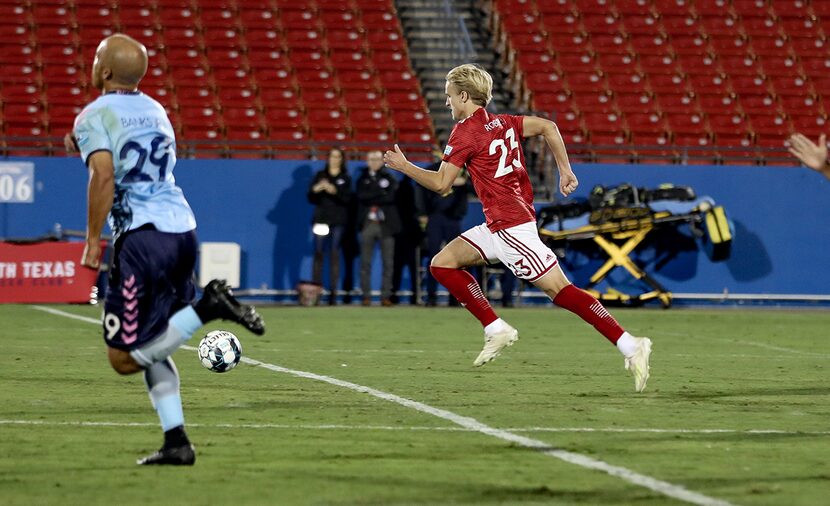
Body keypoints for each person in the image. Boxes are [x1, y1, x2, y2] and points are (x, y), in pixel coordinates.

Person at [383, 63, 652, 392]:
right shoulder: (505, 122)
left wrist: (404, 166)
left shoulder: (465, 131)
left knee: (560, 291)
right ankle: (495, 328)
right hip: (499, 224)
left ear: (464, 95)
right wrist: (564, 171)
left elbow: (441, 183)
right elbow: (549, 127)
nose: (447, 102)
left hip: (511, 227)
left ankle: (630, 344)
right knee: (442, 263)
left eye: (449, 96)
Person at [64, 34, 265, 465]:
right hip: (181, 230)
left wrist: (93, 241)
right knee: (157, 342)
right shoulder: (154, 108)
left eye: (96, 56)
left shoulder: (94, 114)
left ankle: (209, 307)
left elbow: (103, 177)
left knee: (122, 358)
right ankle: (177, 441)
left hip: (142, 238)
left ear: (103, 70)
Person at [415, 162, 469, 306]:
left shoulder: (465, 168)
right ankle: (431, 296)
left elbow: (473, 187)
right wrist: (423, 212)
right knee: (434, 258)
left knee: (456, 260)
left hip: (453, 219)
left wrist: (463, 182)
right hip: (435, 217)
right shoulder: (434, 167)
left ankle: (455, 298)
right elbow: (423, 184)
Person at [307, 148, 353, 305]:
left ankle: (333, 293)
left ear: (341, 159)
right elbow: (311, 197)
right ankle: (315, 293)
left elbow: (347, 199)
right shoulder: (320, 176)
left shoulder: (345, 178)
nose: (334, 159)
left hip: (338, 221)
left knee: (335, 254)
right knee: (318, 253)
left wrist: (334, 191)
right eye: (332, 156)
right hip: (321, 219)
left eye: (337, 156)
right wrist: (316, 189)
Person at [356, 150, 401, 306]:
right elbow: (361, 196)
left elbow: (391, 196)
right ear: (367, 161)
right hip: (368, 223)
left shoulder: (390, 177)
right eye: (371, 159)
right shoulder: (362, 178)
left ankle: (385, 296)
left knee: (388, 262)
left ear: (382, 161)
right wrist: (380, 193)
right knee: (365, 262)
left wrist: (373, 193)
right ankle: (366, 296)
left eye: (377, 159)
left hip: (386, 224)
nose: (374, 162)